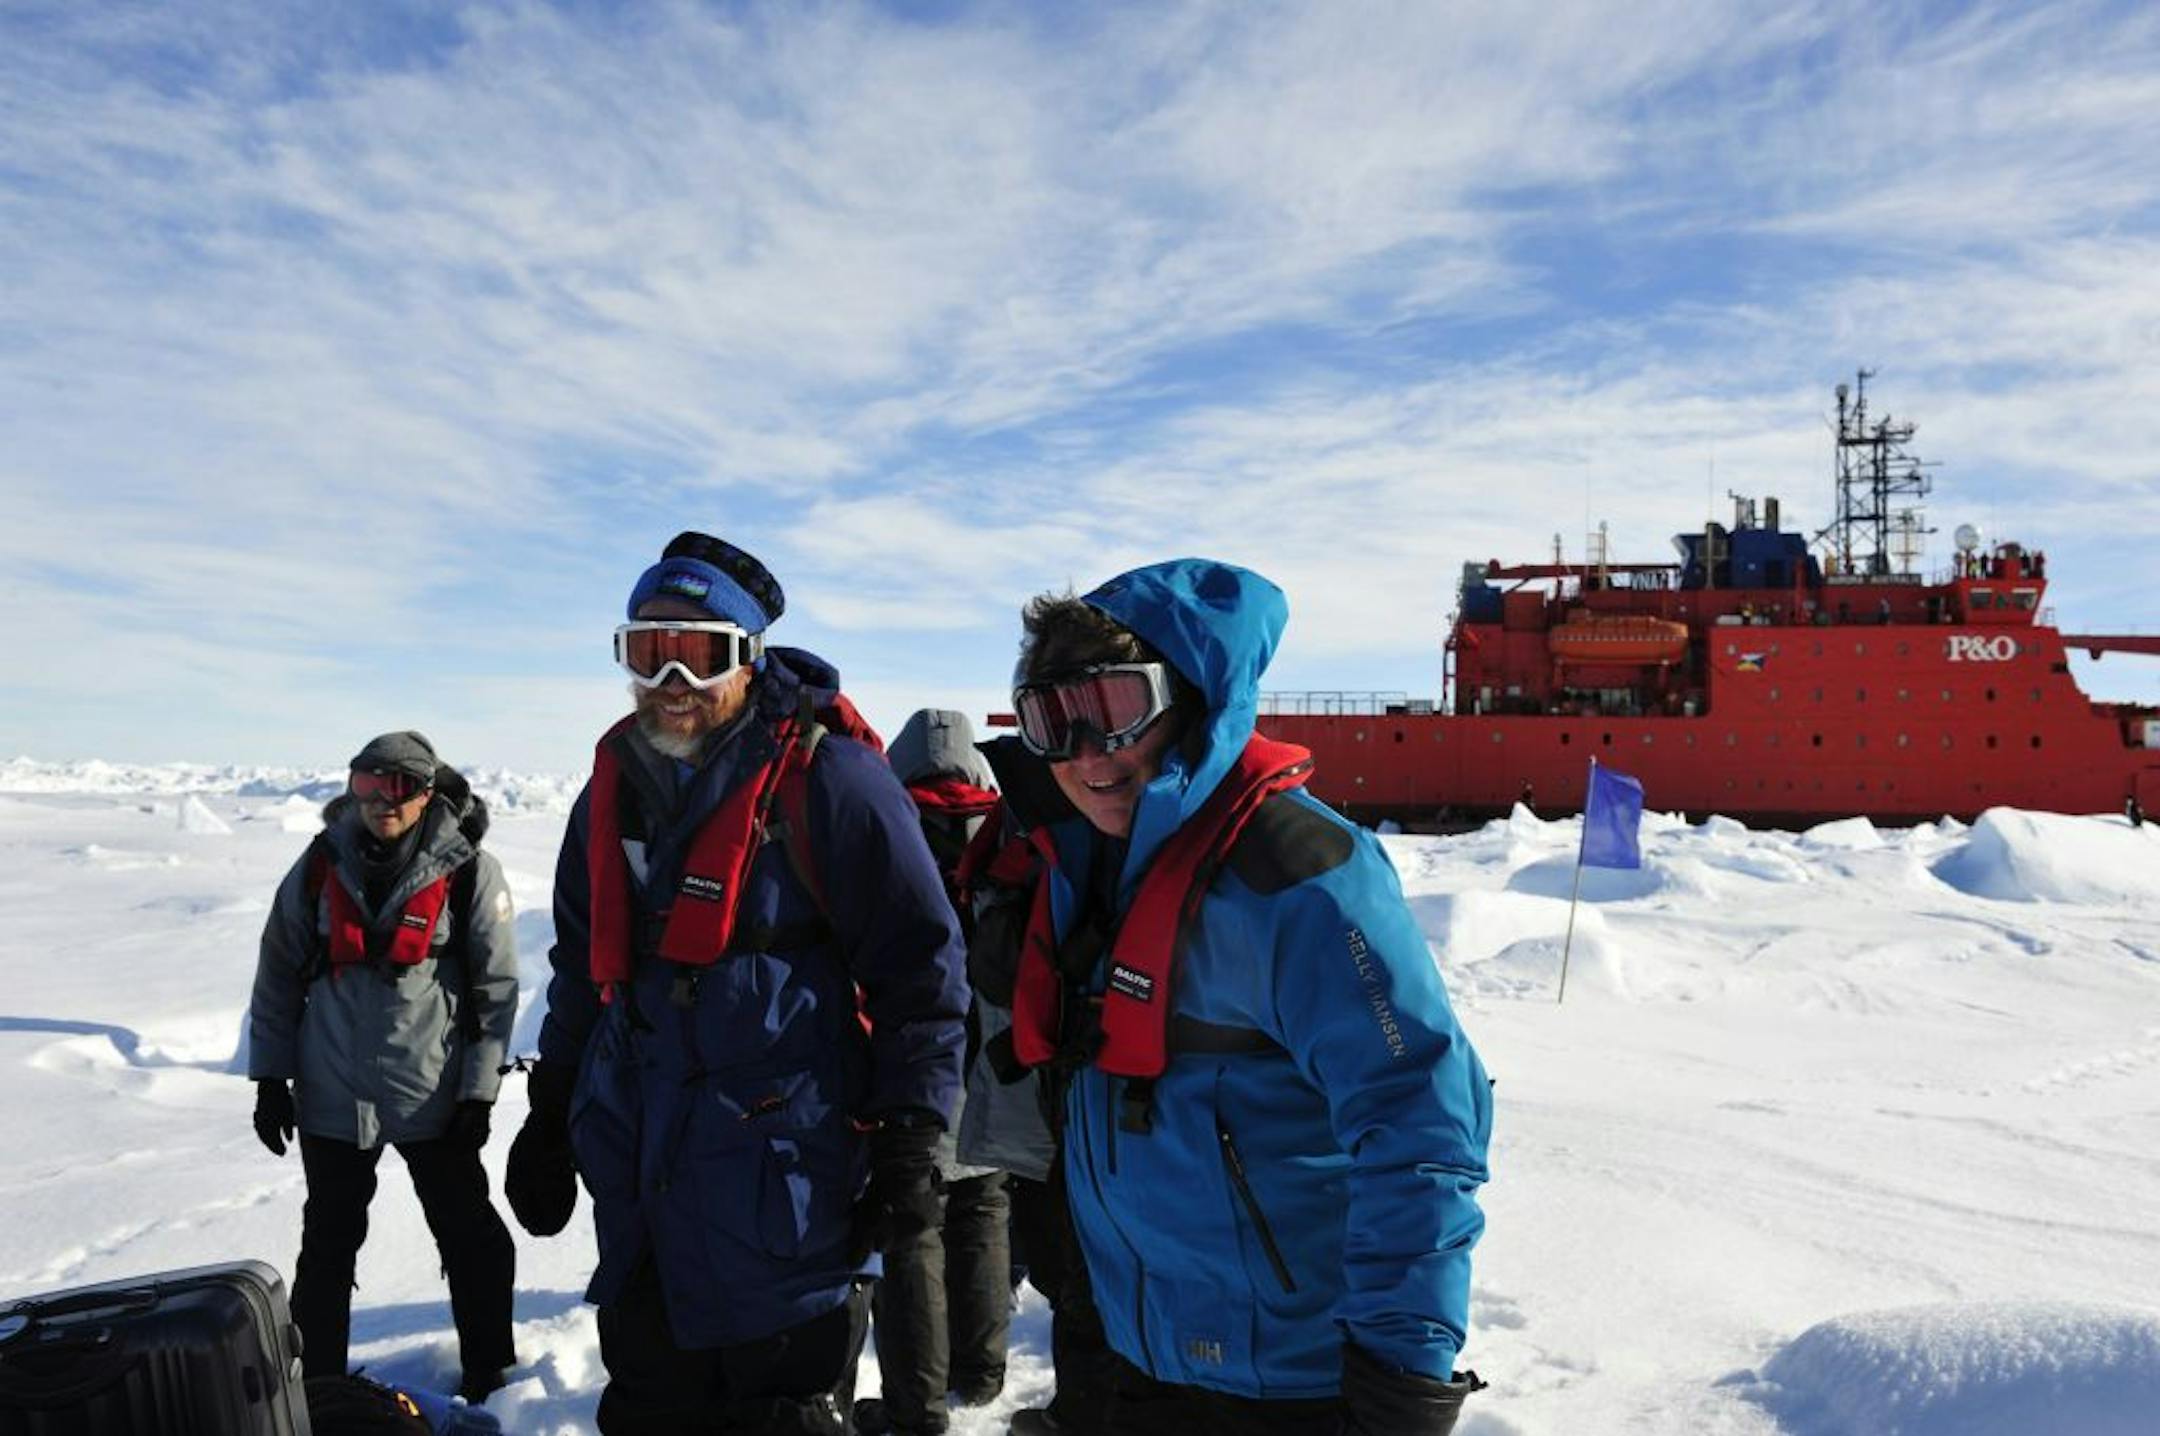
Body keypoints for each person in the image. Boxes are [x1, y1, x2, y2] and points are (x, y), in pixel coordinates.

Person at [1001, 560, 1493, 1435]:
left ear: (1193, 702)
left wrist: (1402, 1374)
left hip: (1295, 1383)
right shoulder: (1092, 866)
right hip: (1138, 1356)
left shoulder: (1300, 879)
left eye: (1114, 708)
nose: (1084, 754)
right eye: (1051, 720)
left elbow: (1420, 1121)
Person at [504, 533, 969, 1435]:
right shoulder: (610, 795)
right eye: (648, 652)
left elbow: (921, 974)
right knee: (649, 1412)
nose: (670, 682)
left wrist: (911, 1141)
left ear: (749, 660)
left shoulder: (832, 783)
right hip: (643, 1196)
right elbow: (582, 971)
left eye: (699, 654)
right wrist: (552, 1108)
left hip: (786, 1204)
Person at [247, 732, 520, 1403]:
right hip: (332, 1092)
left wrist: (478, 1092)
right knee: (327, 1245)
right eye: (366, 785)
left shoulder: (468, 871)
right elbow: (278, 972)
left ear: (428, 792)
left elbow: (496, 989)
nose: (381, 802)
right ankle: (318, 1392)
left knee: (469, 1236)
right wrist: (270, 1078)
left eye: (398, 787)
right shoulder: (320, 864)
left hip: (431, 1092)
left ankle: (490, 1374)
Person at [852, 710, 1016, 1435]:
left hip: (917, 1053)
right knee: (983, 1202)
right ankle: (980, 1371)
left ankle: (915, 1407)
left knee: (912, 1222)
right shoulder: (1007, 831)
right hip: (1000, 1058)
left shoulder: (888, 831)